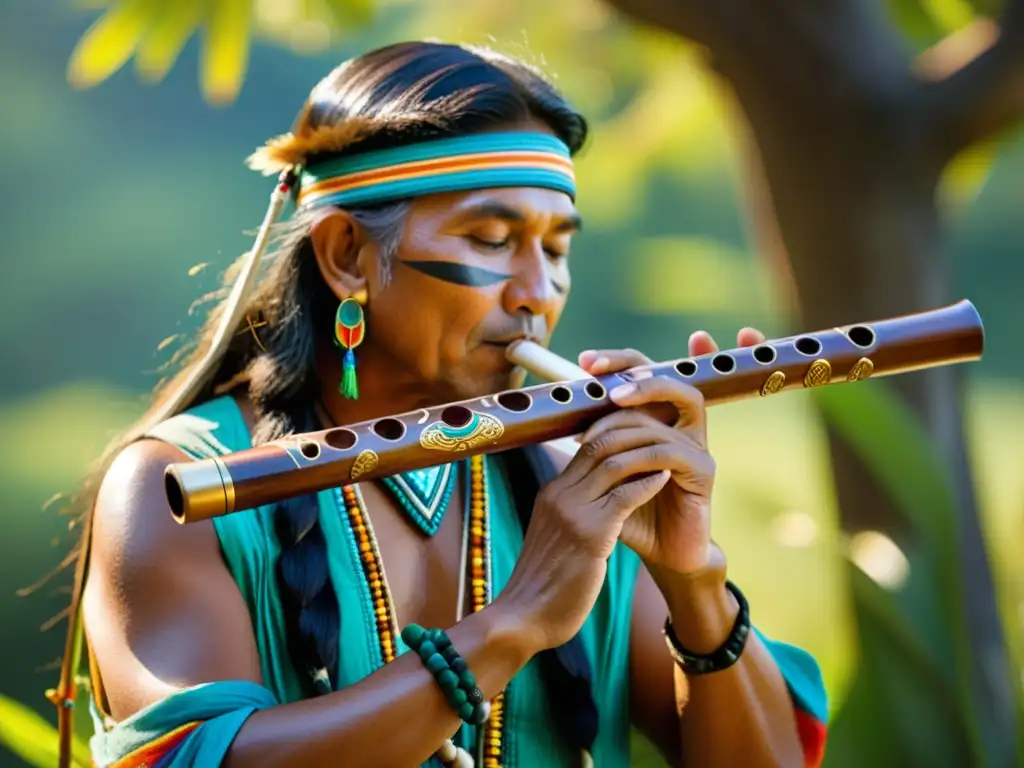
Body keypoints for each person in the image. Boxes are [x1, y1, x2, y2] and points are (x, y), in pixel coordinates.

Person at [53, 40, 829, 768]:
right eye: (492, 240)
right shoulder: (179, 484)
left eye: (556, 252)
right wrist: (516, 620)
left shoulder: (581, 488)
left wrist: (693, 577)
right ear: (347, 256)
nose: (537, 296)